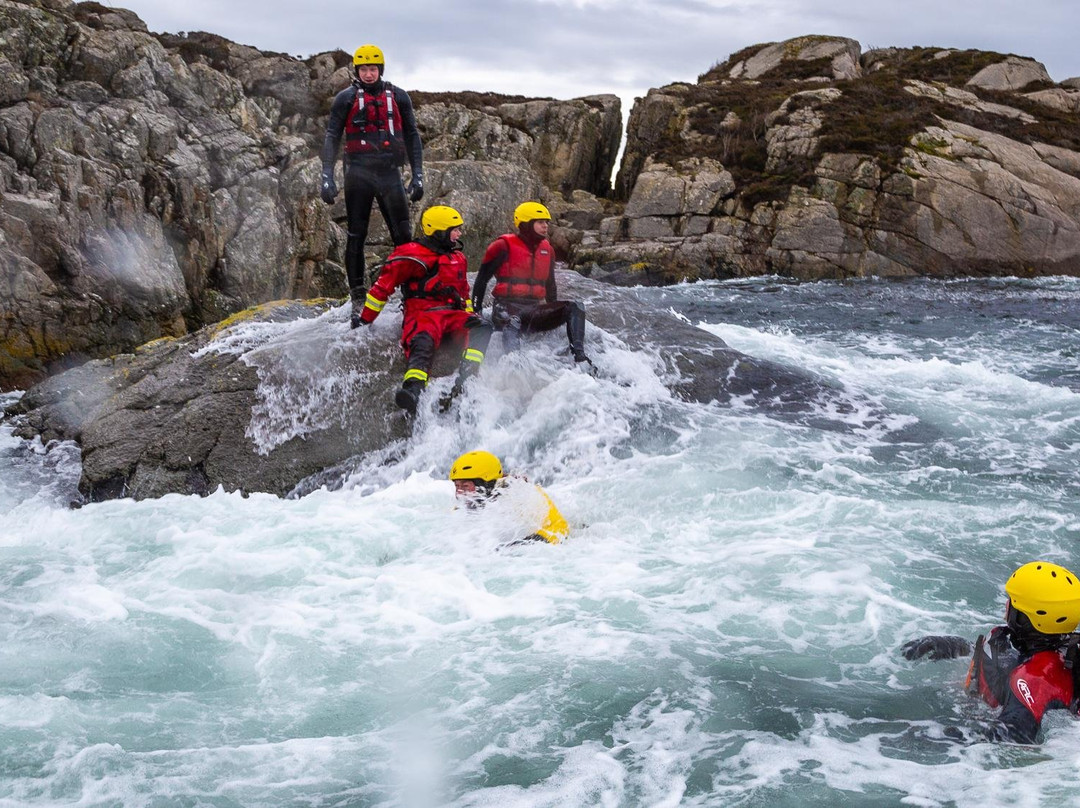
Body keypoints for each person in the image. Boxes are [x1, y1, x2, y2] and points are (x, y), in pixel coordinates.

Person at [902, 561, 1080, 743]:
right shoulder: (1026, 644)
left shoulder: (1037, 679)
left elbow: (1013, 735)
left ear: (1022, 618)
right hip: (976, 709)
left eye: (1012, 600)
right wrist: (949, 645)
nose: (1006, 603)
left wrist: (938, 737)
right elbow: (1001, 657)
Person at [319, 44, 424, 328]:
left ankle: (411, 295)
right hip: (359, 175)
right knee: (356, 236)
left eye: (373, 69)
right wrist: (327, 176)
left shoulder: (399, 97)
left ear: (380, 70)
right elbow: (331, 136)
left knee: (404, 237)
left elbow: (413, 136)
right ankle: (357, 297)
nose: (368, 74)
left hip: (390, 173)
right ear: (356, 71)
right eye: (363, 69)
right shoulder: (345, 98)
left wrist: (418, 175)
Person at [357, 205, 492, 415]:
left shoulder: (457, 258)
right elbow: (382, 288)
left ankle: (467, 376)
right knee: (423, 343)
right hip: (423, 314)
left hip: (451, 314)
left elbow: (464, 292)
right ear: (439, 231)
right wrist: (365, 320)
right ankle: (413, 390)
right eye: (455, 229)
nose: (459, 233)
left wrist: (470, 314)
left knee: (483, 326)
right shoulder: (411, 256)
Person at [472, 202, 591, 364]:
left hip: (533, 310)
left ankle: (580, 357)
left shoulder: (547, 250)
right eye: (540, 222)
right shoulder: (501, 246)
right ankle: (514, 365)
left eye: (546, 222)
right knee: (513, 321)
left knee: (575, 307)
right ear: (526, 223)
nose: (545, 226)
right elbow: (481, 280)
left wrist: (553, 310)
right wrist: (477, 312)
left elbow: (550, 286)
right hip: (506, 308)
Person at [448, 450, 568, 544]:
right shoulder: (465, 508)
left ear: (485, 484)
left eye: (465, 486)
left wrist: (520, 546)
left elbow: (560, 529)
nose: (459, 493)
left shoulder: (522, 495)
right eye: (457, 486)